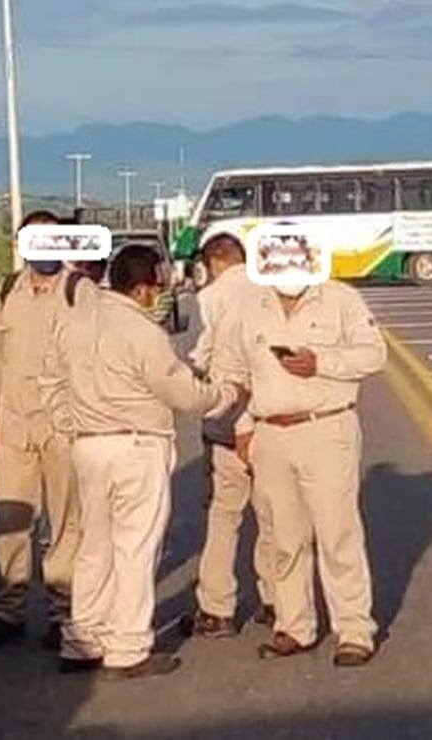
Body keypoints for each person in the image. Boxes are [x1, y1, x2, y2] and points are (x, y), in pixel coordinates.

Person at [58, 245, 245, 680]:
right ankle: (128, 648)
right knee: (135, 548)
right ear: (142, 288)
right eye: (156, 288)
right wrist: (227, 394)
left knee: (94, 548)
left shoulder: (77, 322)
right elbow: (181, 392)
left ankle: (82, 638)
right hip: (135, 445)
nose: (159, 296)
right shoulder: (142, 332)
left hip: (88, 444)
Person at [230, 273, 386, 668]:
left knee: (337, 534)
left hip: (325, 426)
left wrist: (321, 363)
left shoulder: (340, 298)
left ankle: (353, 631)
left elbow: (374, 354)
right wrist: (245, 426)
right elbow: (244, 375)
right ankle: (294, 625)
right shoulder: (251, 304)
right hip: (270, 432)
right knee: (283, 537)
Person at [0, 209, 83, 651]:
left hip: (65, 425)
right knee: (9, 517)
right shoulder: (7, 291)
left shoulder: (79, 290)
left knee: (67, 521)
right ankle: (8, 608)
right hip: (15, 425)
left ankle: (65, 610)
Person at [179, 233, 275, 638]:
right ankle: (278, 600)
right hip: (274, 422)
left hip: (229, 420)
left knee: (223, 515)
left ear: (213, 262)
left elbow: (202, 358)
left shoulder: (212, 298)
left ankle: (217, 609)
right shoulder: (272, 291)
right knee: (275, 517)